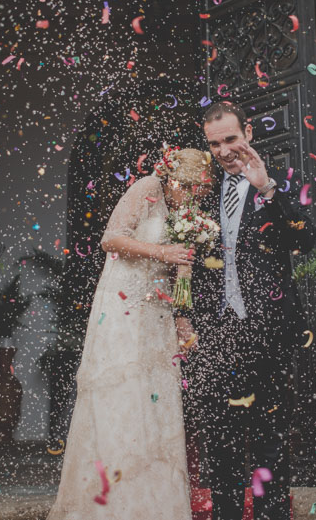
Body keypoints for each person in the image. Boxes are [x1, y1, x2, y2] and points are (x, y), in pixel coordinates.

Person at [47, 148, 212, 520]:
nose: (194, 197)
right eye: (190, 189)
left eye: (199, 191)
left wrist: (182, 319)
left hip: (157, 310)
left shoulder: (184, 211)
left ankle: (153, 505)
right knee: (121, 394)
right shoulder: (146, 187)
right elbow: (111, 240)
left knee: (154, 402)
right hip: (124, 304)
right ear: (173, 179)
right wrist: (162, 251)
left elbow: (179, 267)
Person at [187, 101, 316, 520]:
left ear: (249, 136)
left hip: (270, 330)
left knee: (270, 441)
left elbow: (307, 239)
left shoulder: (279, 181)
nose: (223, 150)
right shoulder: (200, 193)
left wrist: (267, 190)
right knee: (220, 442)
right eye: (214, 144)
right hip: (216, 332)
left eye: (230, 139)